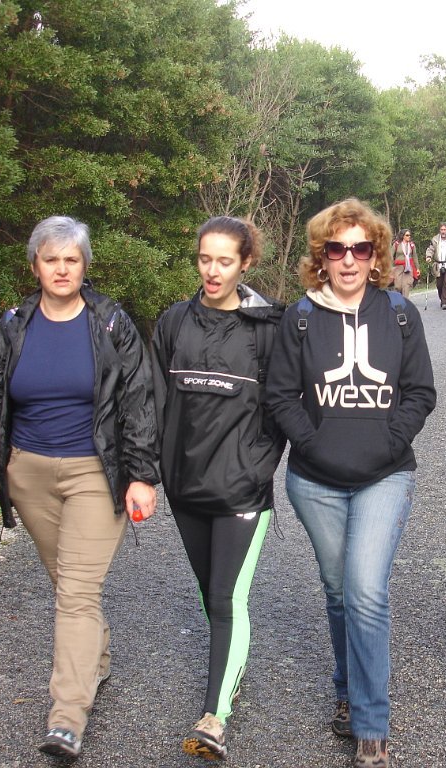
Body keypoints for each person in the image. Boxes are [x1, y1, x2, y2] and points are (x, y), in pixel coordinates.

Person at [0, 215, 160, 760]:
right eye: (52, 260)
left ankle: (67, 716)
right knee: (67, 582)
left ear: (84, 266)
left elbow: (139, 401)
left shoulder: (111, 323)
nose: (62, 269)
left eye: (72, 260)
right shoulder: (12, 326)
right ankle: (95, 657)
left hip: (96, 472)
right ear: (35, 266)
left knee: (76, 592)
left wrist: (141, 475)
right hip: (28, 473)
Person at [266, 198, 436, 768]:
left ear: (375, 255)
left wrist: (388, 442)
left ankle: (371, 725)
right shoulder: (300, 318)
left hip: (385, 476)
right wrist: (313, 444)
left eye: (360, 249)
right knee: (339, 592)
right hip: (315, 481)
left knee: (365, 590)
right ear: (321, 256)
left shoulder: (400, 314)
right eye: (336, 249)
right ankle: (346, 688)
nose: (348, 259)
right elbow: (280, 396)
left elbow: (421, 392)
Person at [151, 216, 286, 762]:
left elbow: (284, 406)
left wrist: (257, 467)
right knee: (212, 596)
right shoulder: (173, 322)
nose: (212, 270)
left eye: (224, 261)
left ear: (245, 263)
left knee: (228, 597)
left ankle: (214, 717)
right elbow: (153, 400)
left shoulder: (269, 328)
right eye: (205, 259)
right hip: (185, 486)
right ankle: (232, 666)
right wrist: (155, 470)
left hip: (241, 491)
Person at [390, 228, 421, 298]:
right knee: (398, 286)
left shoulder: (412, 245)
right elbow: (391, 255)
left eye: (409, 235)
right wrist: (390, 266)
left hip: (409, 267)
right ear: (403, 236)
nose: (409, 236)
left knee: (406, 285)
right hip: (399, 267)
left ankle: (405, 301)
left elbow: (415, 257)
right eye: (407, 235)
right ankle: (399, 298)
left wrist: (417, 268)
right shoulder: (397, 244)